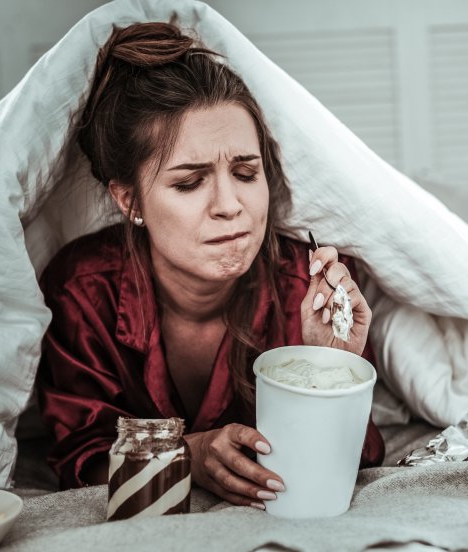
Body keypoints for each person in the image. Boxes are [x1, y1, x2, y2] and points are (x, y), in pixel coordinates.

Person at [37, 21, 384, 510]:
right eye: (189, 183)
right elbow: (79, 457)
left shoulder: (306, 289)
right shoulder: (82, 290)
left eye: (246, 173)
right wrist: (184, 455)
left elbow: (364, 458)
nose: (230, 205)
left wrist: (332, 366)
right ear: (129, 199)